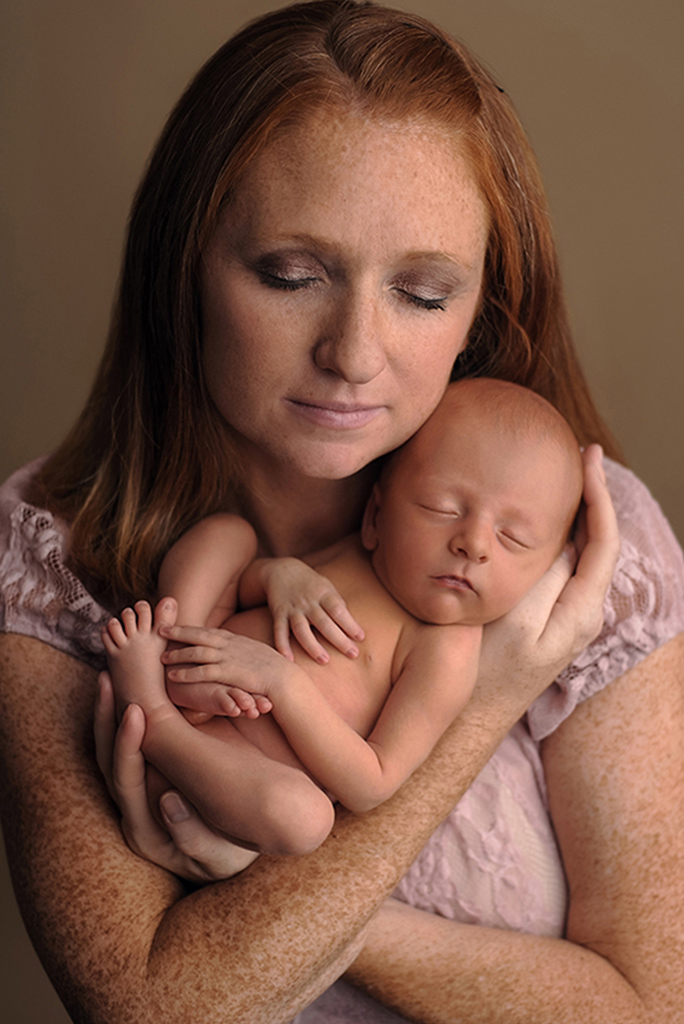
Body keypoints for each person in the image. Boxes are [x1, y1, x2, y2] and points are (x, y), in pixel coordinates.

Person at [0, 2, 681, 1022]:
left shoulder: (571, 544)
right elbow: (150, 1006)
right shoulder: (50, 561)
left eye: (422, 293)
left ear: (480, 312)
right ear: (184, 270)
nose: (354, 354)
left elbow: (650, 1002)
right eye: (291, 273)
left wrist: (490, 699)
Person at [102, 379, 584, 875]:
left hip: (231, 770)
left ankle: (154, 719)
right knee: (229, 534)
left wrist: (282, 683)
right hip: (206, 653)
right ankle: (170, 644)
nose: (474, 543)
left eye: (514, 538)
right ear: (376, 515)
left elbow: (373, 781)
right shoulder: (361, 551)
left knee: (305, 819)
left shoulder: (447, 650)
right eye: (442, 509)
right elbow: (243, 588)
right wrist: (278, 575)